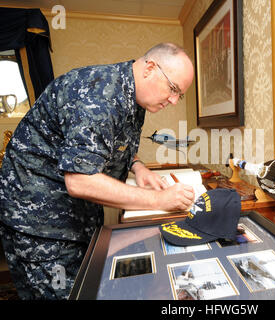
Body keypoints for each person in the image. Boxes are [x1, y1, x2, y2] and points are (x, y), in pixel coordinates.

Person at [0, 42, 196, 299]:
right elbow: (81, 181)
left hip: (75, 218)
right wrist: (160, 200)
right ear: (150, 68)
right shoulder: (99, 96)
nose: (173, 100)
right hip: (39, 224)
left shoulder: (133, 93)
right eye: (173, 89)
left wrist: (137, 167)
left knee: (88, 288)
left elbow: (105, 143)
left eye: (179, 95)